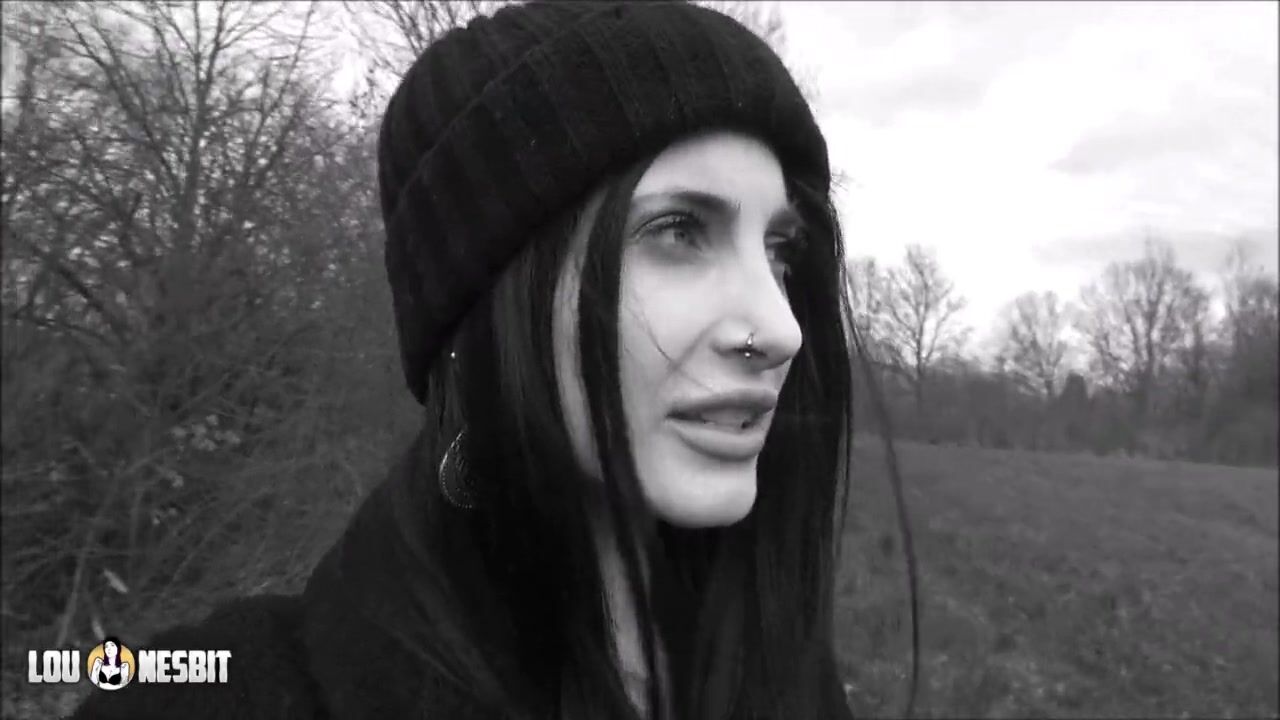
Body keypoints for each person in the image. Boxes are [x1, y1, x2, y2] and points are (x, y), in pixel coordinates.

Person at [71, 1, 887, 717]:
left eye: (780, 252)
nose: (781, 329)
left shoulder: (787, 676)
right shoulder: (213, 695)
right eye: (678, 231)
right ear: (483, 304)